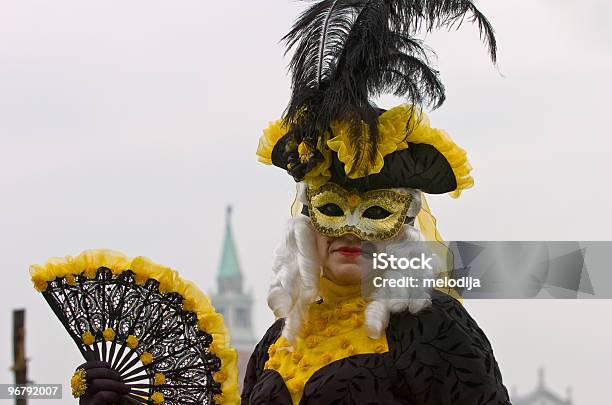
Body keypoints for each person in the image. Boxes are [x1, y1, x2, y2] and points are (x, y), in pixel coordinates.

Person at [77, 1, 511, 404]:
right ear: (306, 225)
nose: (352, 231)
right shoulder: (277, 341)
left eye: (376, 211)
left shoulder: (432, 325)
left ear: (403, 231)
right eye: (333, 210)